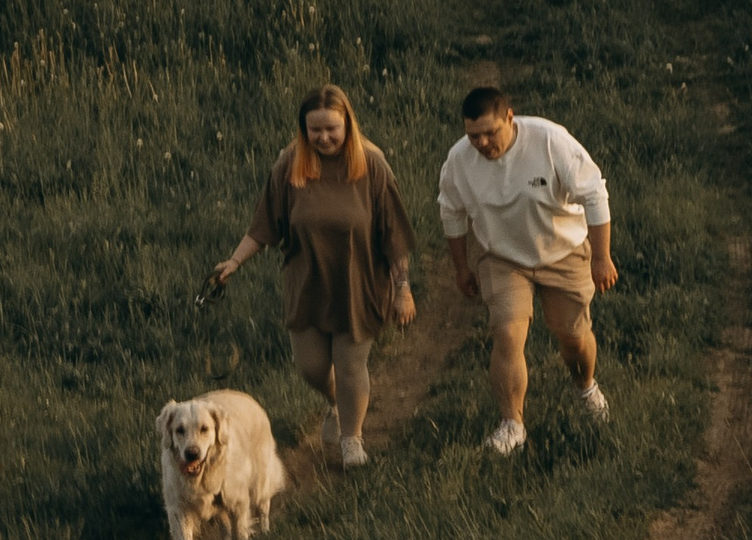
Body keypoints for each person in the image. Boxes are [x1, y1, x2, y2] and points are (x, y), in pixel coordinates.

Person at [210, 84, 416, 469]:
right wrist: (234, 263)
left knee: (351, 362)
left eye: (331, 129)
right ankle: (337, 402)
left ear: (348, 124)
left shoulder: (372, 165)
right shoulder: (290, 165)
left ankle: (351, 439)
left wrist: (403, 288)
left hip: (360, 284)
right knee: (312, 367)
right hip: (307, 284)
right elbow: (263, 225)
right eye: (314, 130)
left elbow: (395, 235)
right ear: (303, 130)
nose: (323, 138)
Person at [435, 86, 618, 455]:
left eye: (490, 132)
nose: (483, 143)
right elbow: (451, 212)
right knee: (507, 332)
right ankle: (512, 425)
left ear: (509, 118)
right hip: (502, 256)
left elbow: (595, 194)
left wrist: (602, 257)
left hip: (562, 250)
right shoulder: (458, 161)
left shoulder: (550, 141)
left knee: (573, 337)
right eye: (473, 136)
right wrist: (462, 268)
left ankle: (586, 387)